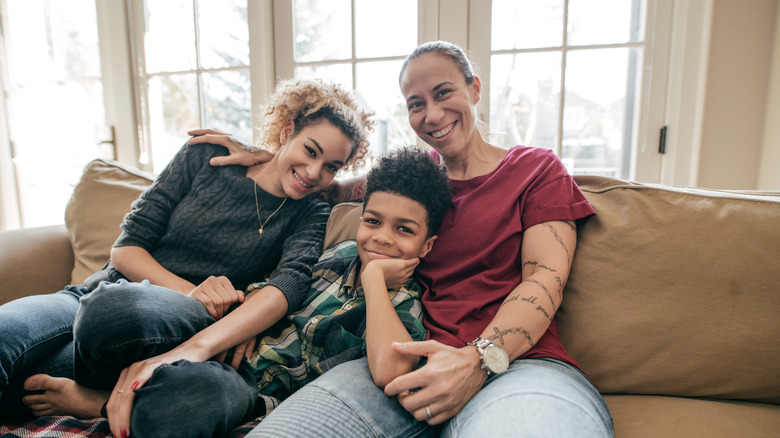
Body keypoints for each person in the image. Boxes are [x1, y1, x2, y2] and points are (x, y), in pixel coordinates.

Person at [191, 40, 613, 437]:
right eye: (416, 104)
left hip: (516, 364)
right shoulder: (414, 182)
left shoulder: (536, 170)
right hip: (397, 360)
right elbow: (326, 182)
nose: (431, 115)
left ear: (475, 88)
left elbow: (544, 281)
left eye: (444, 93)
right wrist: (262, 156)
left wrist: (475, 361)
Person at [2, 78, 372, 438]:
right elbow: (126, 248)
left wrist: (207, 313)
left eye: (331, 166)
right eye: (310, 150)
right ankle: (100, 391)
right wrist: (194, 292)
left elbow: (287, 285)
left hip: (179, 327)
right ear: (286, 130)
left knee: (93, 332)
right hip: (98, 294)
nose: (314, 172)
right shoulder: (207, 156)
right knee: (12, 336)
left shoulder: (311, 212)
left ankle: (99, 399)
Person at [249, 146, 451, 415]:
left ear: (426, 246)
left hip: (277, 407)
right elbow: (270, 289)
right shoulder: (337, 254)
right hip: (245, 370)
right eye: (372, 221)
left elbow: (391, 372)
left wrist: (374, 278)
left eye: (404, 229)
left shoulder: (406, 303)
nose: (382, 238)